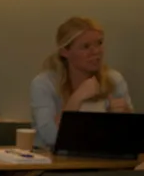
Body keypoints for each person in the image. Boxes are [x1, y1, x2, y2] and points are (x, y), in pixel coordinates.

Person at [31, 16, 133, 148]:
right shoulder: (44, 84)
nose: (96, 51)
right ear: (65, 52)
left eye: (99, 43)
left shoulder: (114, 80)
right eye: (86, 46)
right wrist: (76, 99)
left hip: (100, 158)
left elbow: (132, 138)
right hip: (52, 159)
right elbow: (51, 137)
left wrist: (125, 118)